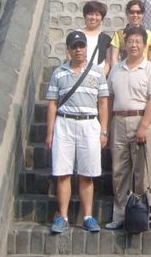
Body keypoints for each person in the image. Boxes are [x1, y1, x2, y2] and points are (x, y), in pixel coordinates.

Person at [45, 31, 109, 234]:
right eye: (74, 47)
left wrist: (104, 131)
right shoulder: (58, 73)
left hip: (89, 124)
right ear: (68, 50)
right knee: (62, 173)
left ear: (86, 48)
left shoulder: (97, 73)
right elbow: (52, 104)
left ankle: (88, 216)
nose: (78, 50)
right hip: (64, 123)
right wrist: (49, 132)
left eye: (81, 46)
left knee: (87, 174)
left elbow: (103, 103)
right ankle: (63, 217)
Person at [106, 26, 151, 229]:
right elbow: (109, 98)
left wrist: (144, 126)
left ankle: (142, 215)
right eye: (130, 41)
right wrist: (107, 127)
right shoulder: (116, 70)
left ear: (145, 45)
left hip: (142, 121)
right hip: (118, 122)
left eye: (138, 41)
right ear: (124, 45)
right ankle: (120, 215)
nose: (134, 45)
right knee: (118, 171)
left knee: (143, 172)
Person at [108, 0, 151, 67]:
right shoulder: (119, 34)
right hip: (124, 70)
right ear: (127, 13)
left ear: (143, 14)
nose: (135, 15)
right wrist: (115, 71)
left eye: (138, 12)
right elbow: (114, 58)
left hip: (144, 71)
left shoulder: (149, 34)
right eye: (132, 12)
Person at [80, 0, 112, 75]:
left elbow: (107, 63)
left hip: (98, 78)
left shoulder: (106, 39)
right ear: (85, 15)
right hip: (78, 77)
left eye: (97, 15)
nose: (94, 17)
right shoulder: (76, 35)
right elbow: (70, 58)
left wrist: (100, 77)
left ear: (101, 18)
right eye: (90, 14)